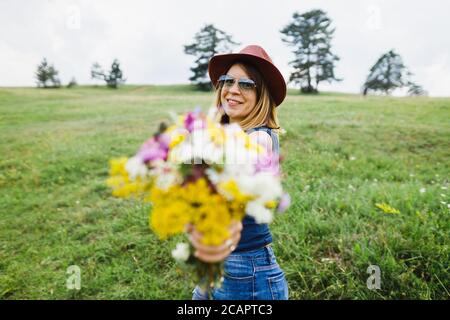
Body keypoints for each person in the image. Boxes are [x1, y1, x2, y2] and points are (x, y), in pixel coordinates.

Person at [190, 45, 289, 300]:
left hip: (247, 271)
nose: (232, 90)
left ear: (261, 95)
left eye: (246, 84)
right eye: (227, 81)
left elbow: (230, 182)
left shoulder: (259, 138)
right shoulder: (223, 135)